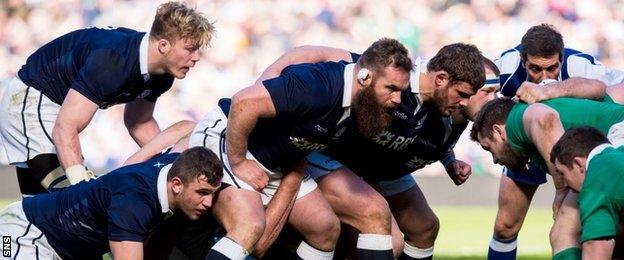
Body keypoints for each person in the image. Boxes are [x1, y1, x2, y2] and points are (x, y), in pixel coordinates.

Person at [188, 38, 413, 260]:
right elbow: (243, 102)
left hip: (281, 161)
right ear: (364, 77)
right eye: (391, 88)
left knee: (324, 228)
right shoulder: (317, 86)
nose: (397, 99)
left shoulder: (364, 105)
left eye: (401, 90)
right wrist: (239, 161)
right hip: (231, 140)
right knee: (249, 228)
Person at [258, 43, 487, 259]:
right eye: (463, 94)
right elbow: (311, 52)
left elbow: (431, 141)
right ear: (440, 79)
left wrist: (449, 160)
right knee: (376, 223)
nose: (466, 103)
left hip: (373, 169)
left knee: (424, 226)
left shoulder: (438, 109)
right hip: (326, 153)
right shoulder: (392, 76)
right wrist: (267, 82)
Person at [0, 1, 215, 195]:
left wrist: (170, 162)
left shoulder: (162, 74)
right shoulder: (114, 61)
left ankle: (7, 239)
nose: (196, 57)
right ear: (163, 46)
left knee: (34, 214)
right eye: (190, 49)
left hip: (51, 111)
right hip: (30, 102)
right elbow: (64, 128)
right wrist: (82, 189)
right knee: (71, 204)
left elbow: (139, 122)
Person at [488, 23, 624, 260]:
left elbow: (608, 91)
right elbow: (472, 88)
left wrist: (550, 91)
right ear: (522, 61)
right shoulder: (505, 67)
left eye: (551, 68)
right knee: (505, 226)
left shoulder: (580, 66)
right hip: (525, 146)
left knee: (571, 225)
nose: (544, 76)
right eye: (535, 69)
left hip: (575, 151)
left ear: (562, 58)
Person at [0, 146, 223, 260]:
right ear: (176, 184)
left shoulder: (175, 165)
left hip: (68, 250)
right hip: (22, 233)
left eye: (213, 193)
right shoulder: (134, 203)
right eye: (202, 192)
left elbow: (185, 128)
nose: (208, 202)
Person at [470, 97, 624, 259]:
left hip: (614, 145)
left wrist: (560, 190)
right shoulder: (528, 141)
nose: (494, 159)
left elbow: (545, 119)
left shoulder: (515, 120)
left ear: (498, 131)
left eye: (489, 148)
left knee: (564, 233)